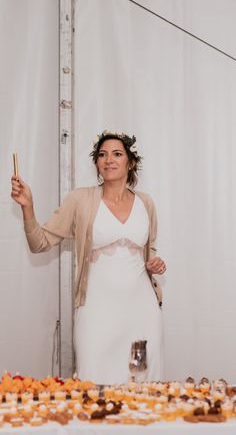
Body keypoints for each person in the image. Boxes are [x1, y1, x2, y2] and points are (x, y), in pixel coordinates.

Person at [10, 131, 166, 384]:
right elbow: (40, 243)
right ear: (96, 163)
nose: (108, 160)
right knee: (93, 381)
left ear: (130, 162)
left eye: (117, 154)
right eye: (102, 155)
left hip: (142, 311)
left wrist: (155, 263)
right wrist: (28, 207)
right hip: (97, 309)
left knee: (142, 383)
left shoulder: (146, 203)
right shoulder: (80, 200)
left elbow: (151, 251)